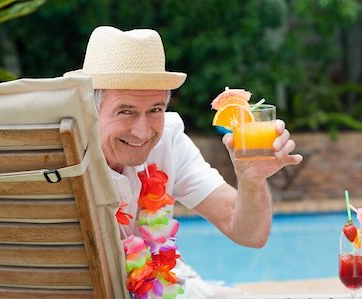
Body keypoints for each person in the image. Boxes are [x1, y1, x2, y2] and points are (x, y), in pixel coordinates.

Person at [65, 26, 303, 298]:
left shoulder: (168, 140)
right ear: (90, 110)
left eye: (155, 110)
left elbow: (249, 234)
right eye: (125, 111)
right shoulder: (61, 159)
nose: (142, 132)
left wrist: (252, 180)